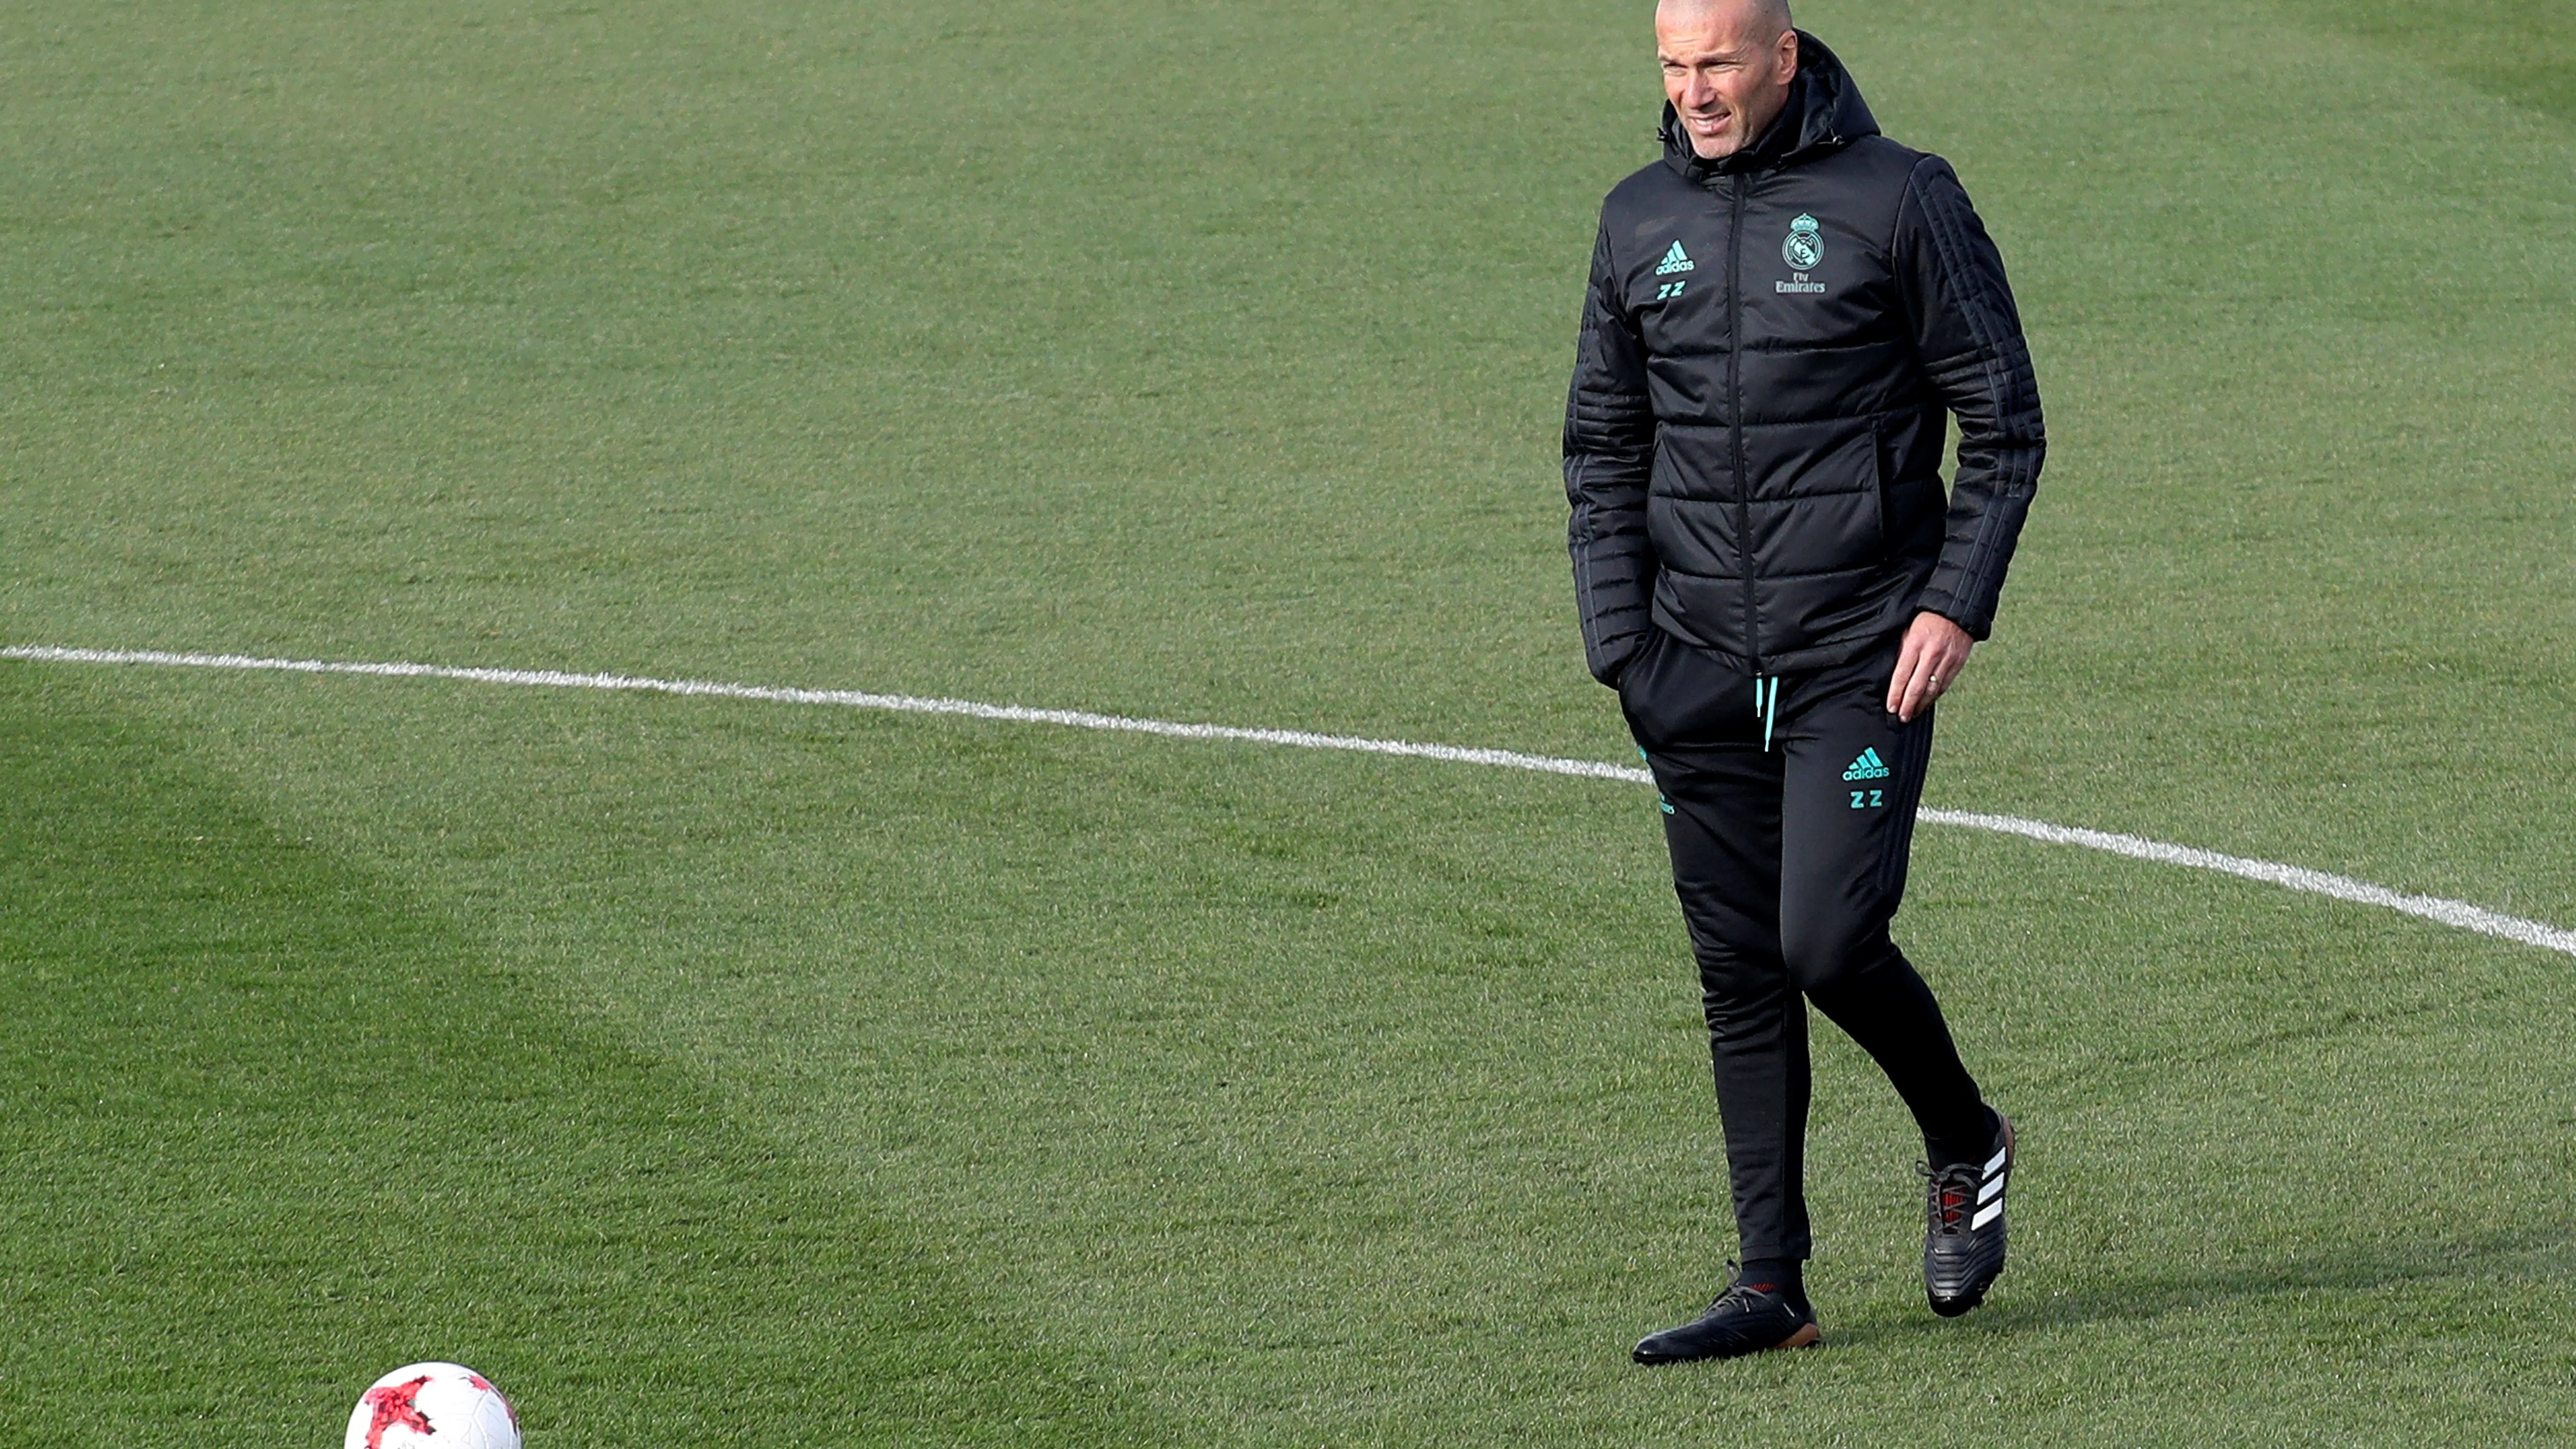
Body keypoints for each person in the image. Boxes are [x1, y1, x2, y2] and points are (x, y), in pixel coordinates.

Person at [1563, 0, 2045, 1363]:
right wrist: (1623, 651)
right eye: (1672, 64)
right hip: (1691, 665)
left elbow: (2004, 420)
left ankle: (1964, 1134)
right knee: (1738, 971)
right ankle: (1770, 1284)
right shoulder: (1633, 218)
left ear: (1786, 53)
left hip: (1859, 659)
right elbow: (1600, 448)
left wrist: (1954, 602)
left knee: (1826, 941)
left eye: (1718, 61)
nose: (1694, 89)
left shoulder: (1901, 199)